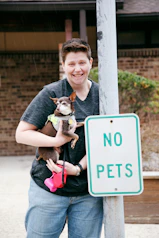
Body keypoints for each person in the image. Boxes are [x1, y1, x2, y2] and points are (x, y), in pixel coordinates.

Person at [16, 38, 103, 238]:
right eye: (71, 64)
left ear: (91, 62)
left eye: (82, 62)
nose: (77, 69)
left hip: (88, 193)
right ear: (63, 65)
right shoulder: (52, 93)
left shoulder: (101, 95)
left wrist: (79, 168)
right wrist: (55, 142)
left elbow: (103, 142)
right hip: (48, 189)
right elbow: (21, 134)